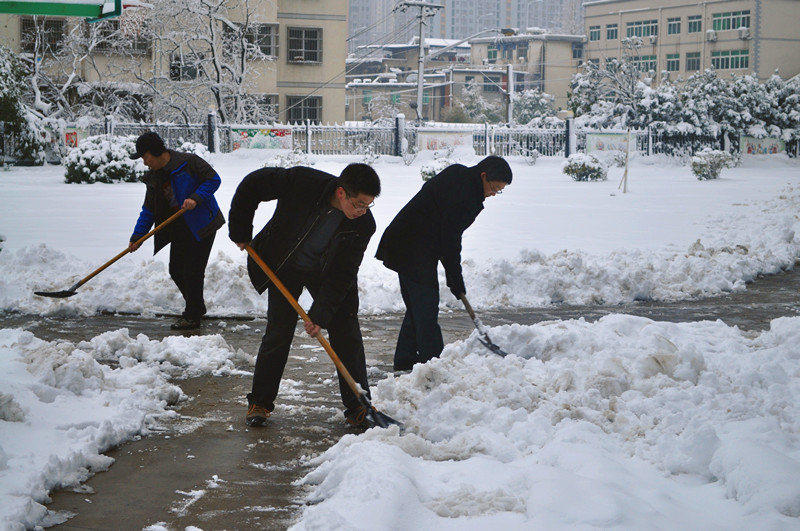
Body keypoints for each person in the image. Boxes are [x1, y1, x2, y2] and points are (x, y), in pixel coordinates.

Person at [228, 163, 381, 428]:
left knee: (346, 331)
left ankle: (358, 406)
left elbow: (343, 273)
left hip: (326, 272)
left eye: (368, 205)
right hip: (284, 265)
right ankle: (260, 402)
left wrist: (320, 315)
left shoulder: (363, 225)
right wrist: (240, 229)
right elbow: (252, 185)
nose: (362, 211)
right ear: (342, 192)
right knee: (278, 331)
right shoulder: (301, 182)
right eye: (358, 204)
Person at [375, 155, 512, 371]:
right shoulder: (465, 195)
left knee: (418, 308)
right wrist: (455, 277)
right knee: (426, 309)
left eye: (499, 191)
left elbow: (441, 222)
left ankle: (405, 361)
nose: (494, 194)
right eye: (494, 188)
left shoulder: (459, 174)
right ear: (483, 176)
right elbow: (450, 238)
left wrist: (451, 270)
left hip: (407, 242)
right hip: (412, 247)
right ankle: (433, 366)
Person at [128, 131, 225, 330]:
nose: (145, 163)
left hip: (202, 223)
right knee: (176, 269)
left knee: (193, 270)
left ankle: (192, 315)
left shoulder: (188, 162)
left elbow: (213, 179)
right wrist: (138, 236)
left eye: (145, 157)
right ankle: (196, 306)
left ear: (155, 152)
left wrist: (196, 198)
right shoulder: (154, 178)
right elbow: (148, 210)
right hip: (179, 227)